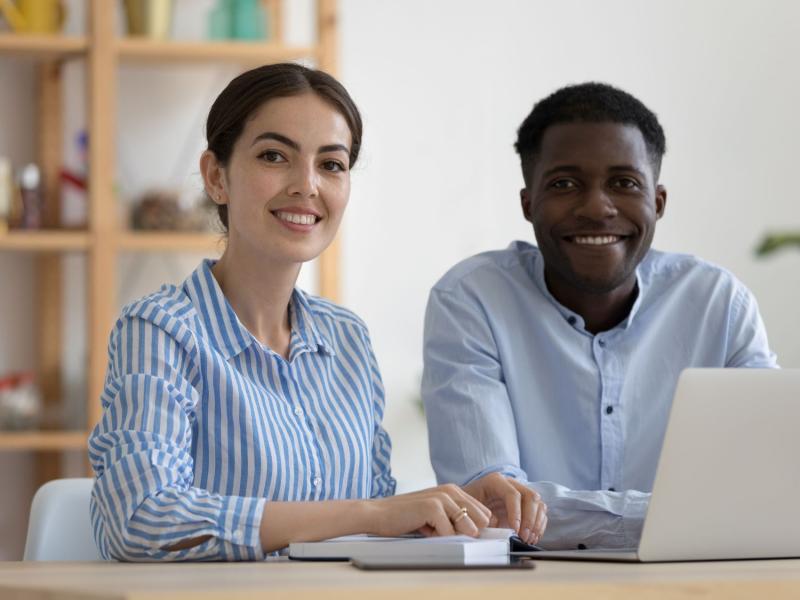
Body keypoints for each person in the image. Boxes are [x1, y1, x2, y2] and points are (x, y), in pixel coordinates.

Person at [88, 63, 547, 561]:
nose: (306, 185)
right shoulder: (159, 330)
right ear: (216, 177)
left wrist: (457, 514)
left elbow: (373, 529)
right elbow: (140, 520)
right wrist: (371, 515)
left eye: (331, 164)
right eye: (273, 156)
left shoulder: (347, 338)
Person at [421, 82, 777, 551]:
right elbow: (494, 507)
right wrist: (682, 518)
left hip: (694, 581)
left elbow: (771, 487)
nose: (596, 207)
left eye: (624, 183)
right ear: (528, 204)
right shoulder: (471, 300)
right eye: (564, 184)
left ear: (658, 202)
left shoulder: (719, 303)